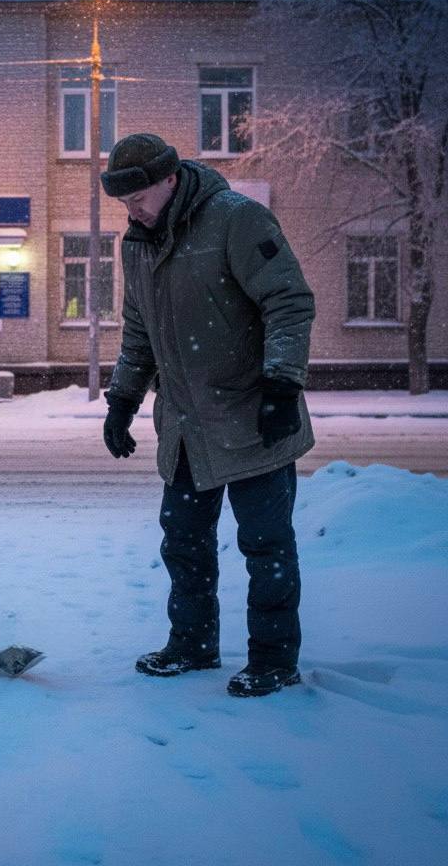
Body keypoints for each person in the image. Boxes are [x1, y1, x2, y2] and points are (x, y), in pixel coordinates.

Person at [100, 133, 315, 697]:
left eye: (140, 196)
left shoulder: (237, 220)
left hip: (252, 417)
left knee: (265, 546)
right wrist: (122, 399)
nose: (133, 209)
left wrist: (282, 384)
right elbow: (139, 329)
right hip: (186, 427)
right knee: (184, 542)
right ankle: (192, 645)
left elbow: (288, 300)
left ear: (171, 179)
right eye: (125, 202)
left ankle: (273, 660)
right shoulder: (138, 243)